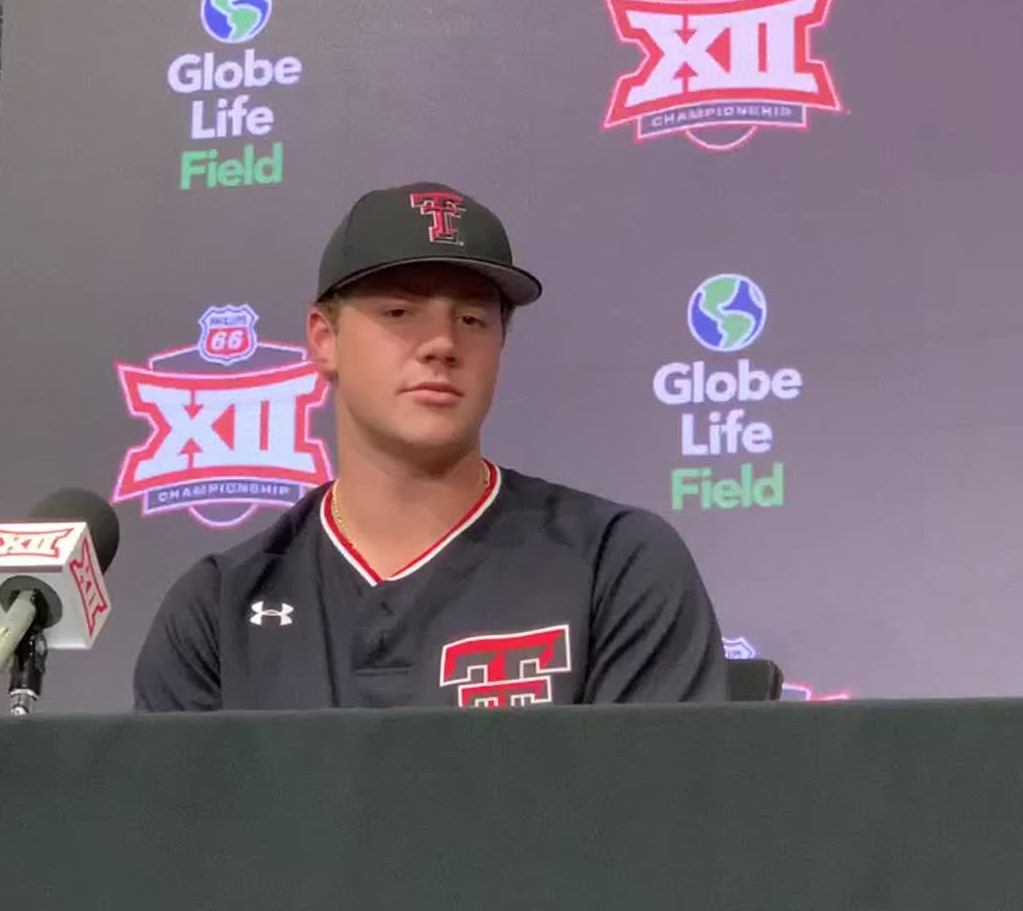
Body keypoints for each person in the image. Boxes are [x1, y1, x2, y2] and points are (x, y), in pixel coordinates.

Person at [133, 182, 729, 709]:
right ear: (324, 339)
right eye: (400, 311)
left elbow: (660, 820)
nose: (442, 343)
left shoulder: (615, 563)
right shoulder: (219, 608)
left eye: (472, 320)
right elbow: (177, 831)